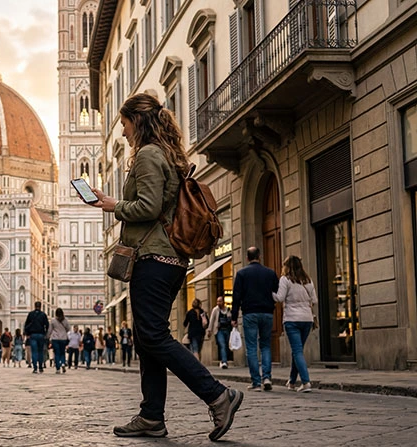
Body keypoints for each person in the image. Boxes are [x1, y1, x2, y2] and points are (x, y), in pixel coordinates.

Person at [90, 93, 242, 441]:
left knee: (154, 336)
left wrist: (114, 205)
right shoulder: (166, 154)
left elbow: (147, 206)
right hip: (168, 260)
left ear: (137, 122)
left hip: (154, 258)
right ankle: (151, 416)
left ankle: (218, 395)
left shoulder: (147, 154)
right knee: (146, 339)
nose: (123, 133)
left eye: (125, 124)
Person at [232, 246, 279, 392]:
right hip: (267, 313)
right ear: (260, 256)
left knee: (252, 348)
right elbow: (276, 292)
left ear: (247, 258)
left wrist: (234, 317)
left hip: (250, 313)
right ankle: (267, 377)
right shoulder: (270, 273)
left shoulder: (241, 274)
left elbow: (236, 297)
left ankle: (256, 382)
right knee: (265, 345)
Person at [273, 255, 318, 393]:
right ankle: (292, 381)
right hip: (307, 319)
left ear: (287, 266)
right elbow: (314, 300)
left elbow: (279, 298)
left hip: (292, 319)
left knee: (297, 351)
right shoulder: (308, 280)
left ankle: (306, 382)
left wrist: (269, 293)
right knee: (297, 351)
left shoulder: (285, 280)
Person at [24, 301, 49, 374]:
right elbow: (47, 325)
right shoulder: (43, 315)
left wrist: (27, 333)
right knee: (40, 351)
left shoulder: (31, 314)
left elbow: (26, 325)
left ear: (34, 306)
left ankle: (35, 367)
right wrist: (45, 333)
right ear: (40, 306)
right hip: (41, 335)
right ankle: (40, 367)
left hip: (33, 335)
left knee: (34, 352)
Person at [207, 296, 232, 369]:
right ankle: (224, 361)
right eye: (217, 301)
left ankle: (224, 360)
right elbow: (212, 320)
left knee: (227, 345)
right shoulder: (215, 310)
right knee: (222, 344)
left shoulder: (228, 309)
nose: (218, 303)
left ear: (223, 302)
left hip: (227, 330)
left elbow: (230, 318)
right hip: (219, 330)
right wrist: (209, 330)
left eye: (220, 301)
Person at [47, 308, 71, 374]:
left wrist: (47, 337)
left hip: (55, 339)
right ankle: (63, 363)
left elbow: (50, 330)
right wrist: (64, 331)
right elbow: (69, 328)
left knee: (57, 353)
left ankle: (58, 368)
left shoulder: (53, 321)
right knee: (62, 352)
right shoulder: (65, 320)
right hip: (63, 338)